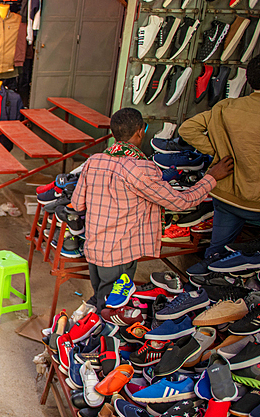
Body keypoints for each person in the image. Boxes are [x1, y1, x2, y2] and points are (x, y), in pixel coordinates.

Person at [72, 108, 233, 310]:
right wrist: (212, 178)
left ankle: (80, 332)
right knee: (111, 309)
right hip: (119, 254)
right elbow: (181, 202)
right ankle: (96, 338)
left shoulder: (94, 161)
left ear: (113, 134)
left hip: (94, 248)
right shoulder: (141, 168)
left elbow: (78, 204)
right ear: (141, 131)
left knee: (100, 298)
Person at [179, 51, 260, 259]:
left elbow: (187, 129)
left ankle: (205, 279)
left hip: (226, 197)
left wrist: (218, 150)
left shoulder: (227, 106)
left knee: (216, 251)